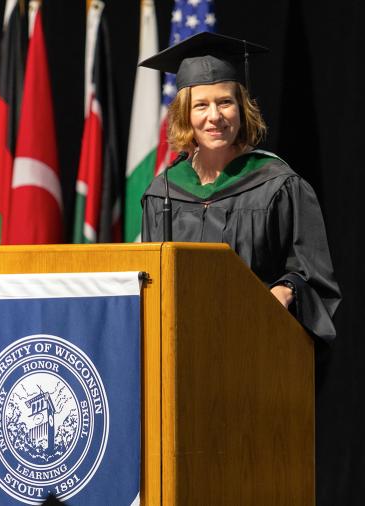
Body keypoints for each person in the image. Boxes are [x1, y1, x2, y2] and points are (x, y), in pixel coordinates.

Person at [139, 32, 341, 341]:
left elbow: (314, 279)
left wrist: (286, 290)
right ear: (185, 116)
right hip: (178, 348)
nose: (214, 117)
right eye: (201, 106)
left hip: (255, 344)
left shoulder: (278, 185)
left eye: (225, 102)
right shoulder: (163, 192)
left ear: (241, 108)